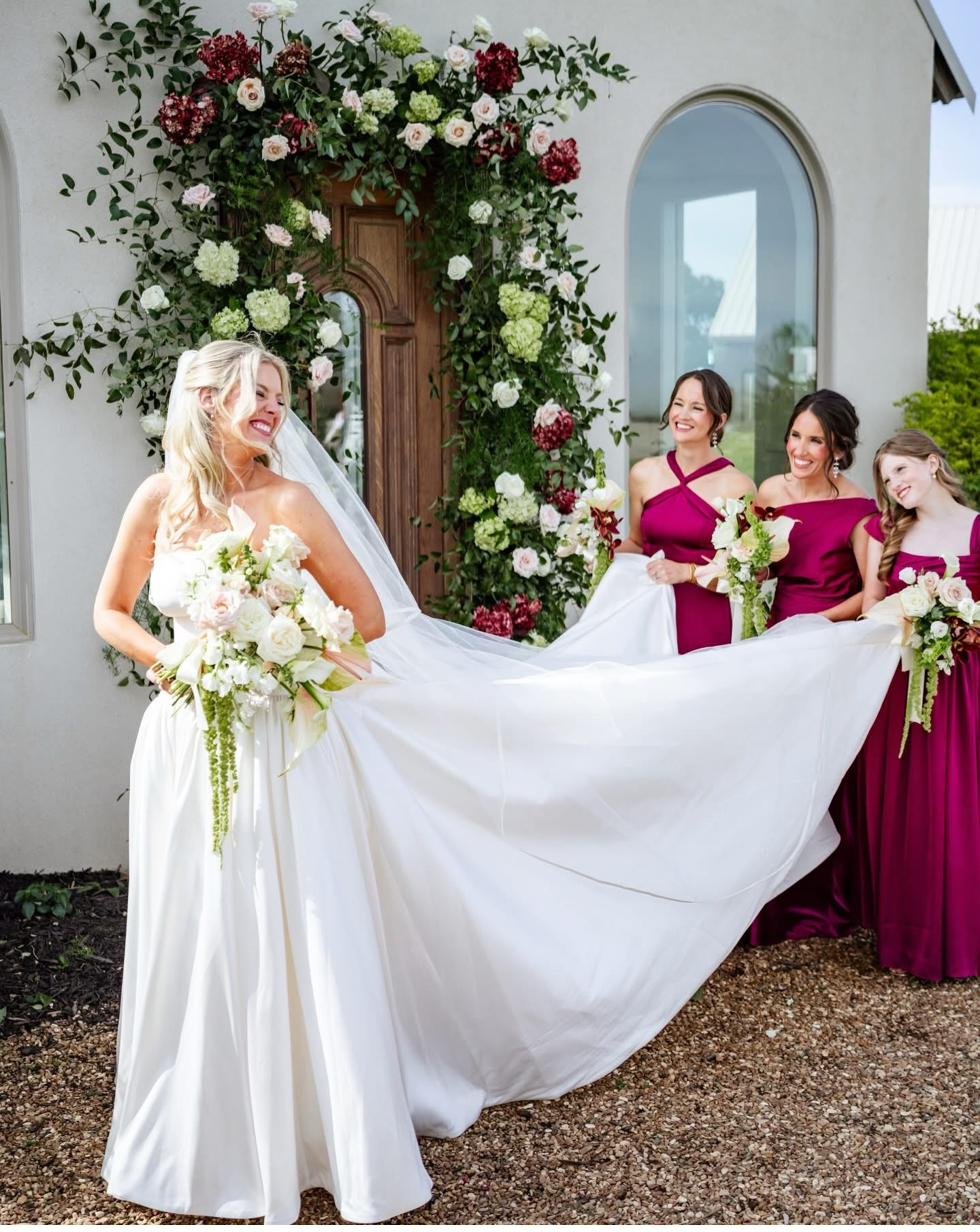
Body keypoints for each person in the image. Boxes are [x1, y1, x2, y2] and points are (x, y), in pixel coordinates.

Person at [95, 342, 900, 1223]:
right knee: (199, 921)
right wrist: (176, 657)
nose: (275, 411)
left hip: (281, 741)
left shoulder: (291, 501)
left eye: (282, 398)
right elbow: (111, 611)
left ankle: (314, 1124)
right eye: (260, 395)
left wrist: (277, 650)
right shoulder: (158, 500)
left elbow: (363, 618)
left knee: (289, 920)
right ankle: (196, 1131)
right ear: (208, 399)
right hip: (186, 739)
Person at [746, 390, 877, 946]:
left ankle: (822, 903)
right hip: (774, 642)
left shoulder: (860, 508)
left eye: (815, 440)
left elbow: (871, 595)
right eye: (796, 436)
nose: (800, 449)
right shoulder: (770, 492)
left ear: (837, 448)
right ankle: (768, 899)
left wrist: (815, 623)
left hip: (826, 644)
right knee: (772, 766)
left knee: (819, 764)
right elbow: (749, 562)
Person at [852, 430, 979, 981]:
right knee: (908, 807)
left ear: (932, 463)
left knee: (955, 803)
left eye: (901, 471)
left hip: (963, 687)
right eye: (886, 480)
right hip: (899, 688)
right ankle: (908, 934)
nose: (895, 486)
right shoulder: (890, 534)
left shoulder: (977, 527)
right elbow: (874, 607)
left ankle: (961, 935)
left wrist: (959, 624)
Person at [618, 370, 755, 653]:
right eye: (678, 403)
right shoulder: (643, 473)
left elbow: (746, 570)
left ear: (719, 420)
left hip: (704, 618)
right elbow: (636, 542)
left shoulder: (738, 486)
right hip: (648, 612)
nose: (683, 414)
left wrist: (687, 571)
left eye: (697, 408)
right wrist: (602, 553)